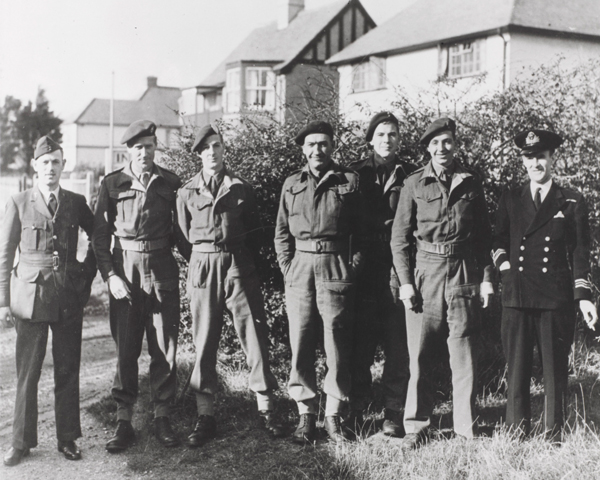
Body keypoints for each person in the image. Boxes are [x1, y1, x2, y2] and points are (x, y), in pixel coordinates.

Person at [176, 123, 282, 447]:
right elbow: (182, 237)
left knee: (254, 333)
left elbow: (253, 228)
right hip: (203, 266)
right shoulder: (186, 192)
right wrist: (201, 259)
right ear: (198, 154)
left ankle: (266, 409)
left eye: (217, 146)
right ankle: (205, 415)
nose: (212, 152)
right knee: (205, 339)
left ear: (224, 149)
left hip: (237, 262)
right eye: (206, 148)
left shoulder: (241, 188)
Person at [391, 117, 494, 450]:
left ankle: (465, 427)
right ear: (427, 148)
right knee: (419, 354)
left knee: (464, 352)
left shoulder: (471, 183)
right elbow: (399, 240)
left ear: (455, 144)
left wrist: (487, 279)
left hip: (463, 270)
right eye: (435, 143)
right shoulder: (413, 184)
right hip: (426, 272)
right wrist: (406, 283)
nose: (442, 148)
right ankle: (416, 425)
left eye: (447, 141)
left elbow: (484, 237)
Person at [492, 129, 598, 442]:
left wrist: (584, 297)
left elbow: (580, 250)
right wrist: (506, 267)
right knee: (518, 367)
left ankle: (553, 433)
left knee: (554, 371)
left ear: (552, 157)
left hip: (555, 296)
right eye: (529, 156)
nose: (535, 162)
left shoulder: (571, 200)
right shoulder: (511, 198)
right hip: (518, 293)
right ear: (522, 160)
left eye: (541, 156)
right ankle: (515, 430)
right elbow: (497, 239)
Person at [92, 120, 189, 452]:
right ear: (127, 151)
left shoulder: (171, 183)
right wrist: (110, 276)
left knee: (164, 346)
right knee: (126, 348)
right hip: (126, 272)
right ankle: (124, 421)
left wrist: (199, 266)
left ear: (155, 147)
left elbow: (182, 232)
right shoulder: (112, 185)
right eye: (137, 147)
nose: (144, 152)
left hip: (161, 268)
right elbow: (100, 238)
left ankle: (162, 416)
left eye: (149, 146)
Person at [0, 136, 96, 466]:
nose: (51, 168)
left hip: (68, 294)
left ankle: (68, 438)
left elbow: (99, 237)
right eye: (45, 162)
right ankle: (20, 442)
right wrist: (3, 301)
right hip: (31, 295)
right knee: (28, 371)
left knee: (67, 368)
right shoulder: (19, 201)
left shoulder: (76, 201)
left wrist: (84, 277)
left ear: (64, 165)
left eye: (56, 162)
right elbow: (5, 253)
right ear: (35, 167)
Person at [274, 121, 366, 443]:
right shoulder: (291, 184)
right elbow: (281, 232)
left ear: (332, 146)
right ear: (303, 149)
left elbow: (362, 233)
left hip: (335, 266)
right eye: (311, 144)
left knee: (336, 344)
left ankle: (333, 415)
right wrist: (288, 266)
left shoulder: (350, 182)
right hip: (300, 268)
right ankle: (306, 414)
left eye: (324, 144)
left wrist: (350, 267)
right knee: (300, 341)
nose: (318, 150)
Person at [347, 112, 416, 437]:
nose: (387, 140)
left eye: (392, 134)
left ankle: (393, 412)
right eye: (381, 134)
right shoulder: (355, 175)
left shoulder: (412, 175)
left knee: (396, 342)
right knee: (360, 343)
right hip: (364, 268)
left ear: (399, 139)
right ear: (371, 139)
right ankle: (358, 407)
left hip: (397, 266)